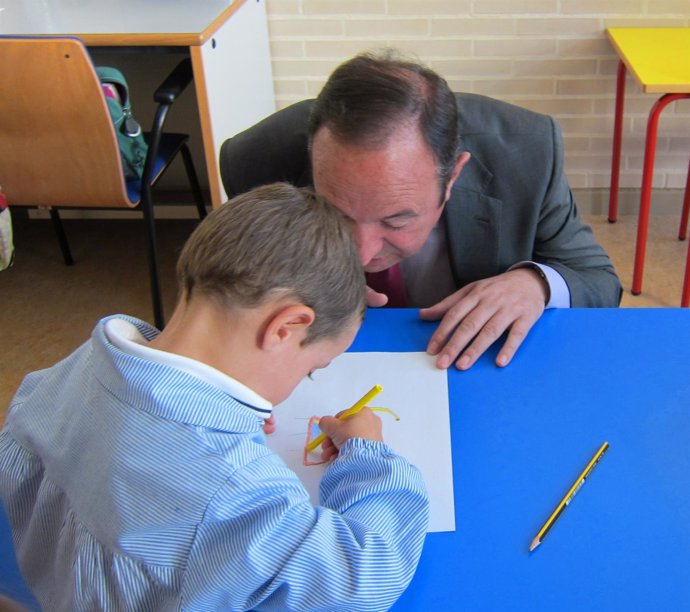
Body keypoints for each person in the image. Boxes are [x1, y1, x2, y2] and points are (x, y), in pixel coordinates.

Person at [0, 183, 429, 611]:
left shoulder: (65, 373)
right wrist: (368, 454)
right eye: (312, 370)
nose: (303, 382)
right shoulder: (233, 488)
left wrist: (224, 414)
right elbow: (363, 578)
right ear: (285, 328)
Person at [220, 50, 623, 372]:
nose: (361, 255)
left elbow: (599, 281)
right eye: (336, 214)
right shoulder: (256, 160)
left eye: (396, 220)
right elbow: (229, 298)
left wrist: (534, 284)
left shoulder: (528, 153)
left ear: (453, 176)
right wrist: (288, 289)